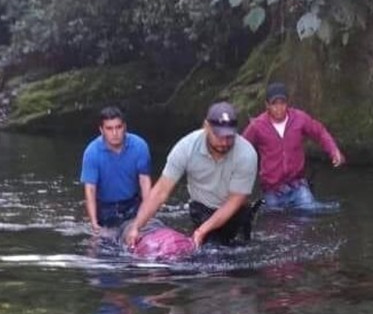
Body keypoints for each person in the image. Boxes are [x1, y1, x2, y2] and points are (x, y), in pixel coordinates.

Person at [123, 101, 258, 249]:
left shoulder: (246, 154)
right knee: (209, 253)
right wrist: (137, 226)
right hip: (202, 208)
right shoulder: (186, 148)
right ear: (206, 127)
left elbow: (234, 200)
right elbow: (161, 191)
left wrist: (202, 230)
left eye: (229, 137)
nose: (224, 143)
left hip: (235, 211)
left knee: (239, 253)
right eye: (219, 136)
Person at [242, 82, 346, 211]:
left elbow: (319, 132)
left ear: (287, 103)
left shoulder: (300, 119)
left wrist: (334, 151)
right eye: (274, 104)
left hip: (297, 186)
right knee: (274, 224)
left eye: (282, 103)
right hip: (272, 190)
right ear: (267, 105)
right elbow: (242, 147)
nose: (279, 108)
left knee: (309, 216)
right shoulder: (257, 126)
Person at [80, 106, 152, 234]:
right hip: (105, 207)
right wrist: (94, 224)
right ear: (101, 130)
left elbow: (145, 181)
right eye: (109, 128)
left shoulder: (139, 146)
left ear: (125, 127)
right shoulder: (92, 152)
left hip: (132, 204)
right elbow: (90, 189)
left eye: (118, 127)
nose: (115, 133)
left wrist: (148, 213)